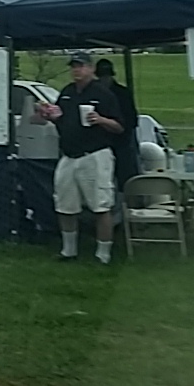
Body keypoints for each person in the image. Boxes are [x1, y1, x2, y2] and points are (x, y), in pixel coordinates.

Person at [33, 52, 124, 264]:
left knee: (100, 206)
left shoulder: (103, 94)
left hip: (95, 155)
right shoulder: (67, 93)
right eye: (74, 66)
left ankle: (103, 254)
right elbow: (61, 121)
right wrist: (49, 115)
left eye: (81, 66)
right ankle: (69, 250)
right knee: (65, 205)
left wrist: (100, 119)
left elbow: (119, 127)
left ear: (91, 69)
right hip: (69, 155)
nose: (77, 70)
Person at [95, 58, 140, 186]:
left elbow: (131, 119)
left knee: (125, 179)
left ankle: (127, 202)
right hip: (100, 143)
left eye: (106, 76)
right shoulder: (93, 92)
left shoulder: (123, 93)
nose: (104, 79)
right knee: (102, 181)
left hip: (122, 142)